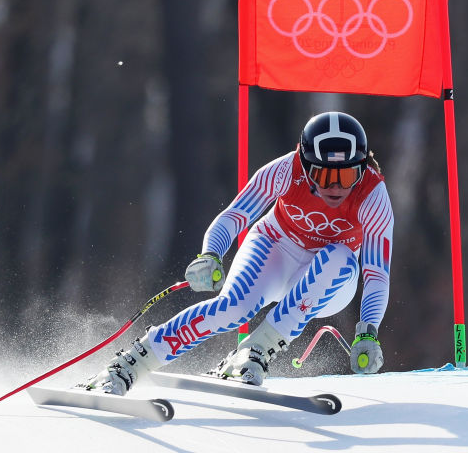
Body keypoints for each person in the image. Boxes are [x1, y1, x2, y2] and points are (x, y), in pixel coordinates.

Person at [81, 111, 394, 395]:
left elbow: (377, 273)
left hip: (331, 280)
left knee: (339, 256)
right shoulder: (286, 170)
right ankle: (128, 365)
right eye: (326, 176)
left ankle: (254, 352)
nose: (336, 187)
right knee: (233, 308)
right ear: (306, 163)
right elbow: (234, 216)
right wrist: (211, 255)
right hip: (276, 247)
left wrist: (367, 332)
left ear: (362, 167)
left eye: (347, 176)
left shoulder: (373, 194)